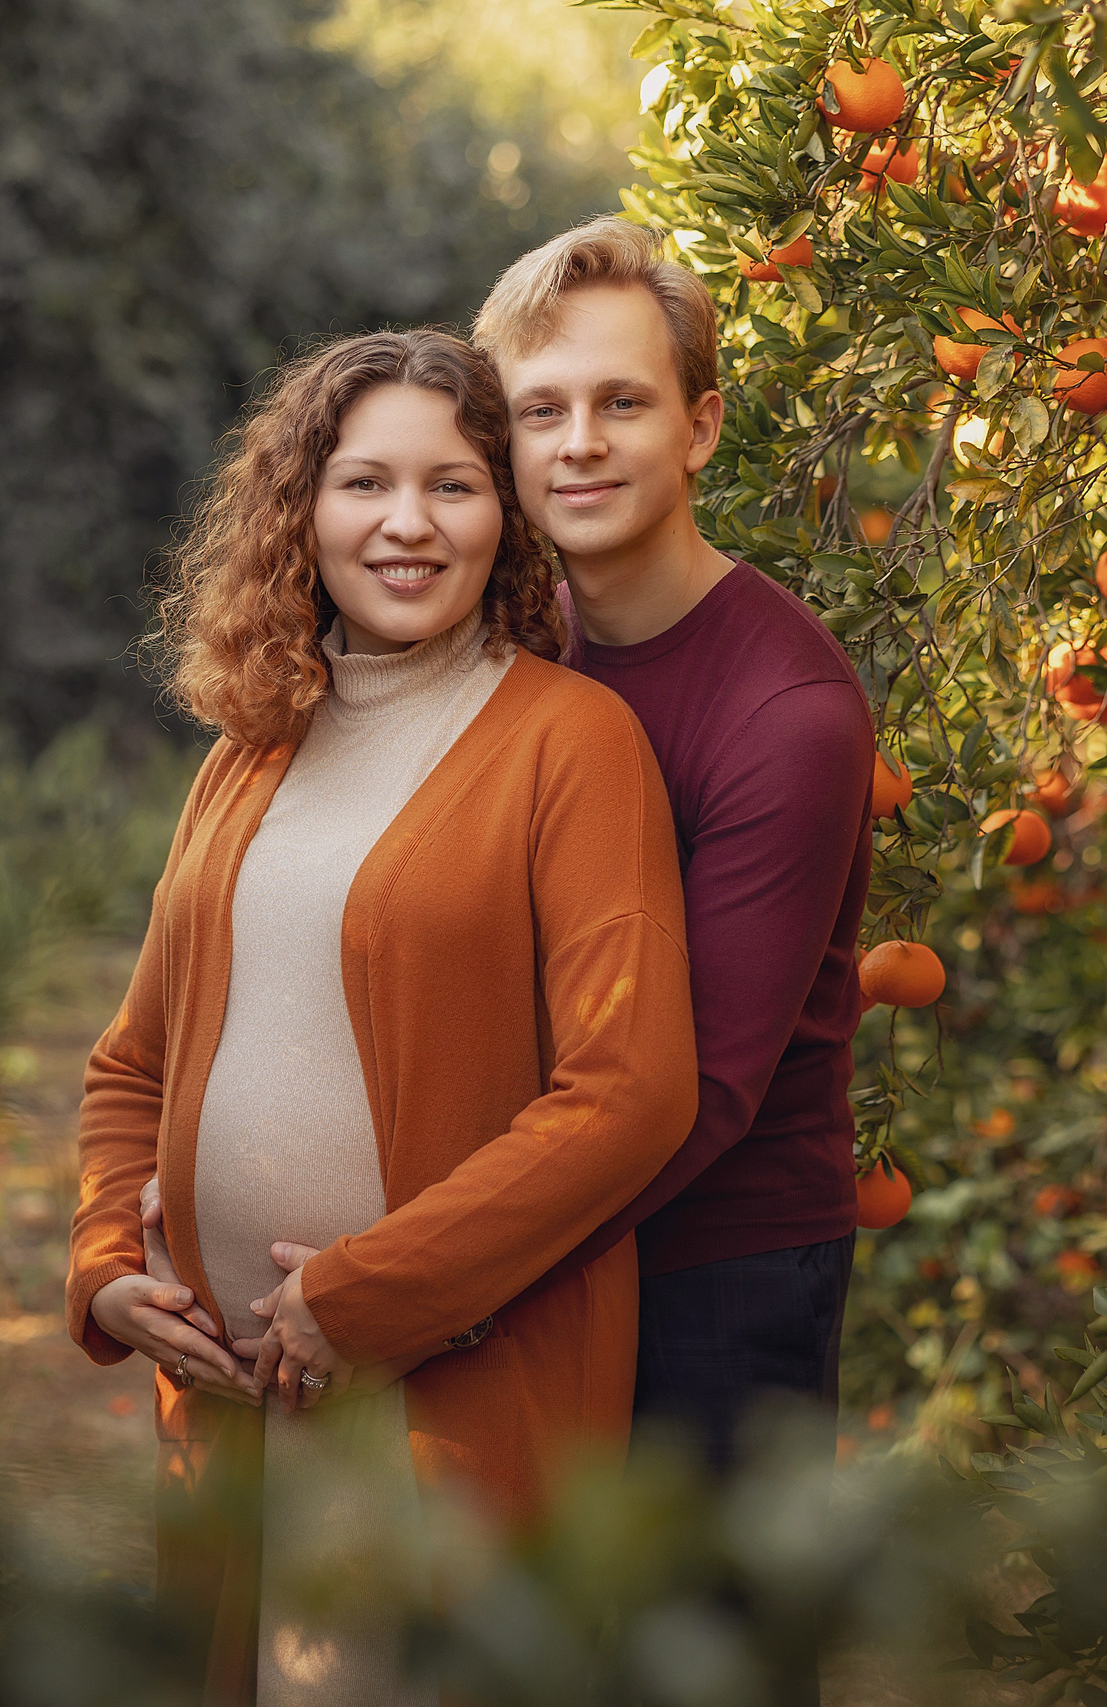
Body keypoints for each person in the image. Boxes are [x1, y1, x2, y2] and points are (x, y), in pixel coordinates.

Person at [64, 329, 697, 1705]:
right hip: (226, 1406)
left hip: (439, 1395)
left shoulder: (569, 744)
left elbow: (632, 1087)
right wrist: (111, 1261)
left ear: (507, 514)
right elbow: (134, 1062)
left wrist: (363, 1295)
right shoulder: (251, 747)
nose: (407, 524)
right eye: (364, 484)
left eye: (454, 486)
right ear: (303, 511)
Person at [471, 217, 875, 1474]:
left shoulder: (787, 713)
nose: (578, 443)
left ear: (698, 428)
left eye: (622, 403)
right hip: (541, 1223)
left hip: (718, 1275)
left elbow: (693, 1092)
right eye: (540, 411)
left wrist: (442, 1258)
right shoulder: (515, 648)